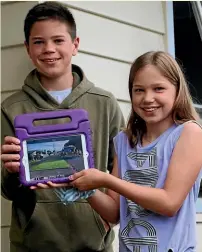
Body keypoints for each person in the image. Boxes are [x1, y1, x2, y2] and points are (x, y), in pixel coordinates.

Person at [46, 51, 202, 251]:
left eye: (159, 89)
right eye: (139, 90)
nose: (147, 98)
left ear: (177, 90)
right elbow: (114, 213)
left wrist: (106, 180)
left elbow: (169, 203)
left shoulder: (189, 133)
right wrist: (87, 189)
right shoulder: (124, 140)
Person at [1, 1, 125, 252]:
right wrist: (12, 172)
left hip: (94, 243)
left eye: (58, 40)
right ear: (27, 48)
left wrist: (107, 217)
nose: (49, 49)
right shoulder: (11, 108)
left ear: (75, 45)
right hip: (32, 244)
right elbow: (8, 191)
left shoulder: (105, 104)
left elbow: (123, 174)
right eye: (38, 42)